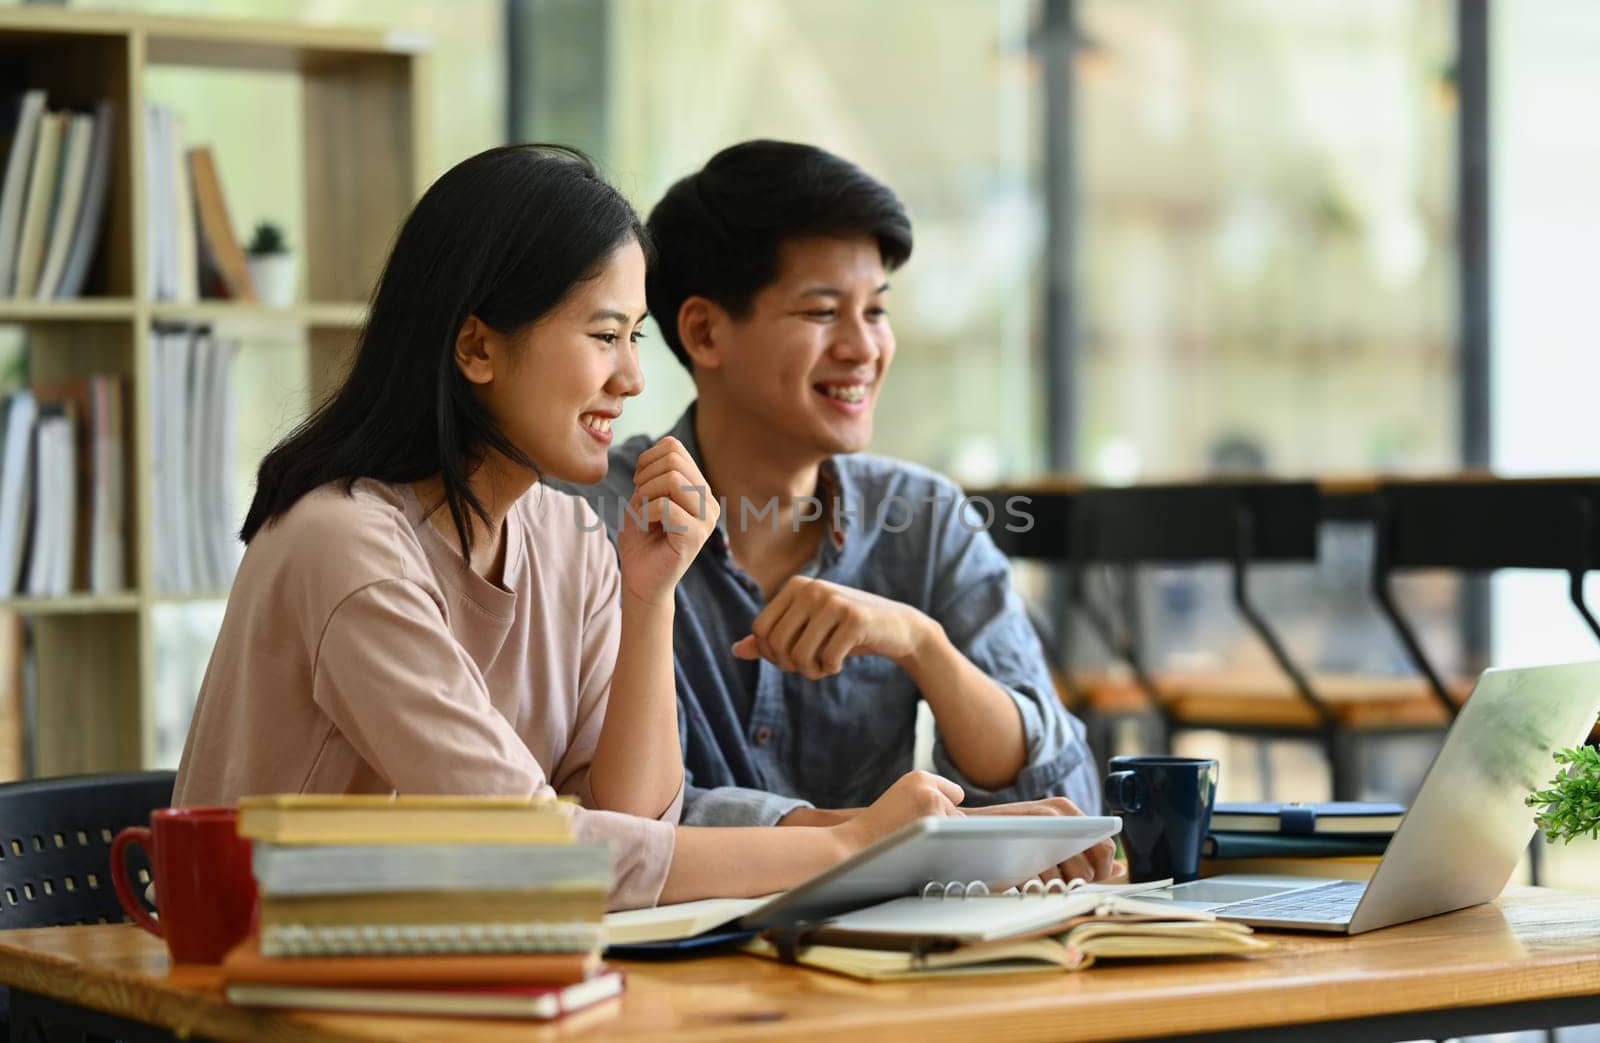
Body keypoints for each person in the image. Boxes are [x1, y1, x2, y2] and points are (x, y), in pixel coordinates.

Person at [171, 144, 1026, 910]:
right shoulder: (345, 543)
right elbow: (539, 851)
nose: (631, 377)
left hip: (448, 973)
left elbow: (631, 826)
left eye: (636, 338)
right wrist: (842, 848)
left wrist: (650, 597)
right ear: (477, 348)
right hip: (267, 992)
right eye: (604, 335)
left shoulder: (567, 535)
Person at [572, 140, 1107, 864]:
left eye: (876, 311)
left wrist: (921, 643)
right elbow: (609, 815)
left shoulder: (924, 519)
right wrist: (868, 836)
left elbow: (1068, 796)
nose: (864, 347)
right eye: (823, 312)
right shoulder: (589, 518)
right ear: (704, 331)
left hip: (882, 958)